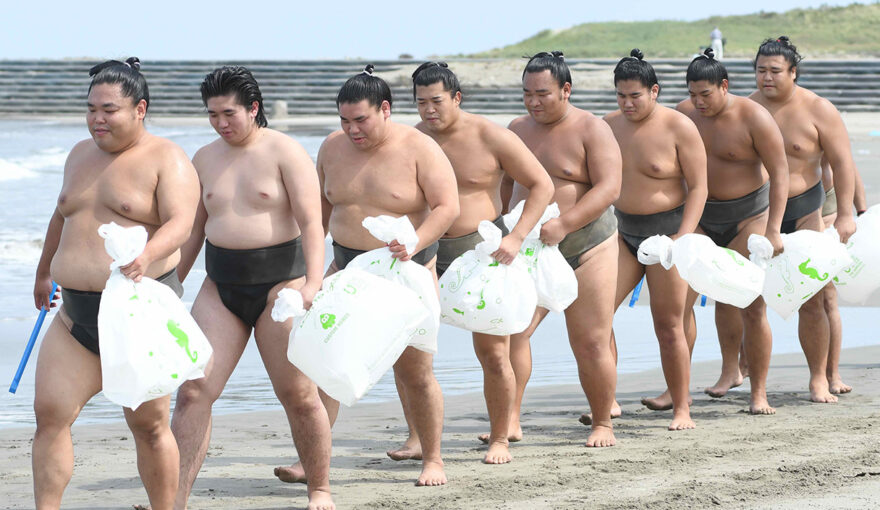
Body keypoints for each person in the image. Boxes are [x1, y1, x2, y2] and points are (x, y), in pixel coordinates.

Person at [30, 58, 200, 510]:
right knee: (50, 416)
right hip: (75, 319)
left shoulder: (168, 158)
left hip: (136, 316)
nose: (97, 119)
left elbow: (181, 222)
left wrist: (146, 254)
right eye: (90, 109)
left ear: (140, 109)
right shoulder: (78, 155)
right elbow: (62, 214)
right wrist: (44, 270)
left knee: (148, 425)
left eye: (108, 110)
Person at [168, 66, 334, 510]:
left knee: (298, 394)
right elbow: (193, 232)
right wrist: (169, 286)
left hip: (281, 284)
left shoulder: (285, 151)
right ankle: (174, 499)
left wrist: (313, 284)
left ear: (253, 108)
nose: (221, 123)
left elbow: (312, 222)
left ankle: (319, 488)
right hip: (220, 285)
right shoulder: (203, 158)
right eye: (212, 114)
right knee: (192, 391)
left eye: (229, 113)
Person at [306, 65, 459, 485]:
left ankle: (433, 459)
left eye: (361, 120)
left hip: (406, 271)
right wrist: (311, 272)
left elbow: (447, 206)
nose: (352, 129)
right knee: (326, 364)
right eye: (344, 120)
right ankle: (311, 461)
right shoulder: (331, 148)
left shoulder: (419, 146)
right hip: (346, 269)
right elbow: (320, 213)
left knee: (415, 371)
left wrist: (414, 240)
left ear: (385, 109)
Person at [411, 61, 554, 463]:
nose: (428, 110)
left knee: (494, 353)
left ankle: (500, 438)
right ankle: (416, 438)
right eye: (420, 102)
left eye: (436, 101)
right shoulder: (412, 140)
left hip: (481, 251)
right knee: (412, 348)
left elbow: (542, 184)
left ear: (456, 97)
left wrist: (517, 235)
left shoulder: (490, 135)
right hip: (426, 251)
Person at [505, 51, 622, 447]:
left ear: (566, 90)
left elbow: (609, 188)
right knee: (513, 332)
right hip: (532, 248)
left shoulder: (592, 128)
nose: (533, 102)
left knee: (590, 339)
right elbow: (504, 185)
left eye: (542, 94)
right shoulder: (516, 130)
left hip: (589, 244)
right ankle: (510, 420)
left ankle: (602, 422)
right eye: (526, 94)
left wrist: (565, 224)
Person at [672, 48, 790, 415]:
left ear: (723, 86)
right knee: (684, 304)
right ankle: (696, 383)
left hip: (748, 216)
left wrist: (773, 230)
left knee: (751, 305)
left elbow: (781, 173)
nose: (698, 102)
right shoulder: (683, 115)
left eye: (705, 94)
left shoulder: (754, 116)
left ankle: (759, 392)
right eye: (692, 94)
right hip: (703, 217)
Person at [749, 36, 857, 403]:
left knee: (813, 299)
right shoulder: (747, 109)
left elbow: (843, 163)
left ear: (793, 72)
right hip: (759, 214)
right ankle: (744, 377)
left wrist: (845, 214)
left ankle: (819, 379)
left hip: (807, 209)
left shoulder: (818, 109)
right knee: (750, 299)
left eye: (775, 71)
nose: (767, 77)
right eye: (760, 70)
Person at [604, 49, 708, 430]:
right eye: (620, 96)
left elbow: (698, 187)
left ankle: (682, 407)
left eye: (635, 95)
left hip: (670, 230)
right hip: (622, 230)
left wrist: (683, 236)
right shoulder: (608, 126)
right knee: (597, 316)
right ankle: (607, 400)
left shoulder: (679, 127)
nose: (627, 103)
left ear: (654, 91)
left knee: (668, 324)